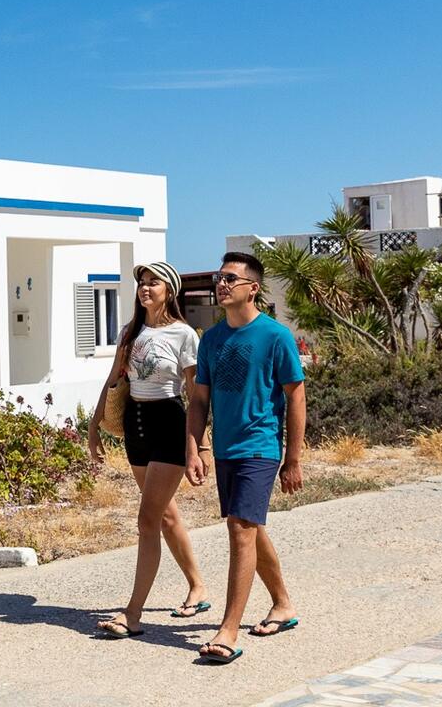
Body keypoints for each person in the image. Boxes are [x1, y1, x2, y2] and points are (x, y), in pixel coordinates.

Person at [185, 249, 305, 665]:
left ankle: (228, 631)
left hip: (261, 445)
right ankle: (283, 604)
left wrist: (293, 459)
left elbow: (296, 396)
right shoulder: (211, 339)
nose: (221, 284)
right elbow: (199, 400)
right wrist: (195, 447)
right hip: (225, 449)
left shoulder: (275, 336)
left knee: (240, 528)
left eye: (230, 279)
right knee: (249, 526)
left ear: (252, 288)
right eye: (219, 278)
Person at [87, 261, 211, 638]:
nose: (145, 288)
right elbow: (113, 379)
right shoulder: (130, 332)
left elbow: (196, 394)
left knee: (147, 520)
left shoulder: (184, 335)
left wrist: (200, 446)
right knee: (165, 515)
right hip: (135, 425)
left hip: (169, 424)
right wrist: (93, 426)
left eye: (153, 282)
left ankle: (133, 613)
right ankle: (198, 586)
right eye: (142, 282)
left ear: (169, 290)